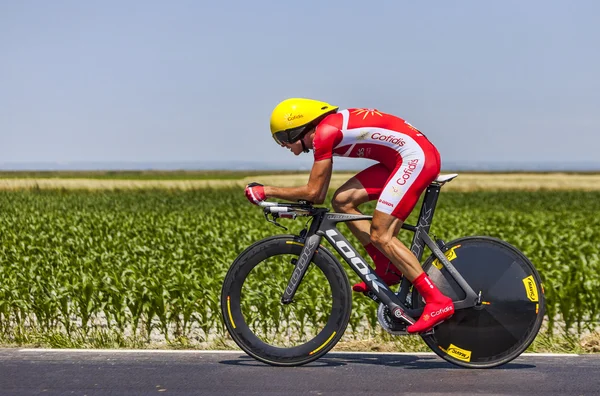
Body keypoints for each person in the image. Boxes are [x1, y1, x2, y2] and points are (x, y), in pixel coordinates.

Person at [244, 98, 454, 334]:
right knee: (343, 201)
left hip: (415, 159)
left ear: (299, 128)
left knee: (382, 234)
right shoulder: (327, 129)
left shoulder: (324, 133)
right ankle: (387, 267)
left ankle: (436, 300)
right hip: (401, 159)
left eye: (283, 138)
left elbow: (315, 193)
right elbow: (323, 194)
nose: (283, 145)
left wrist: (267, 190)